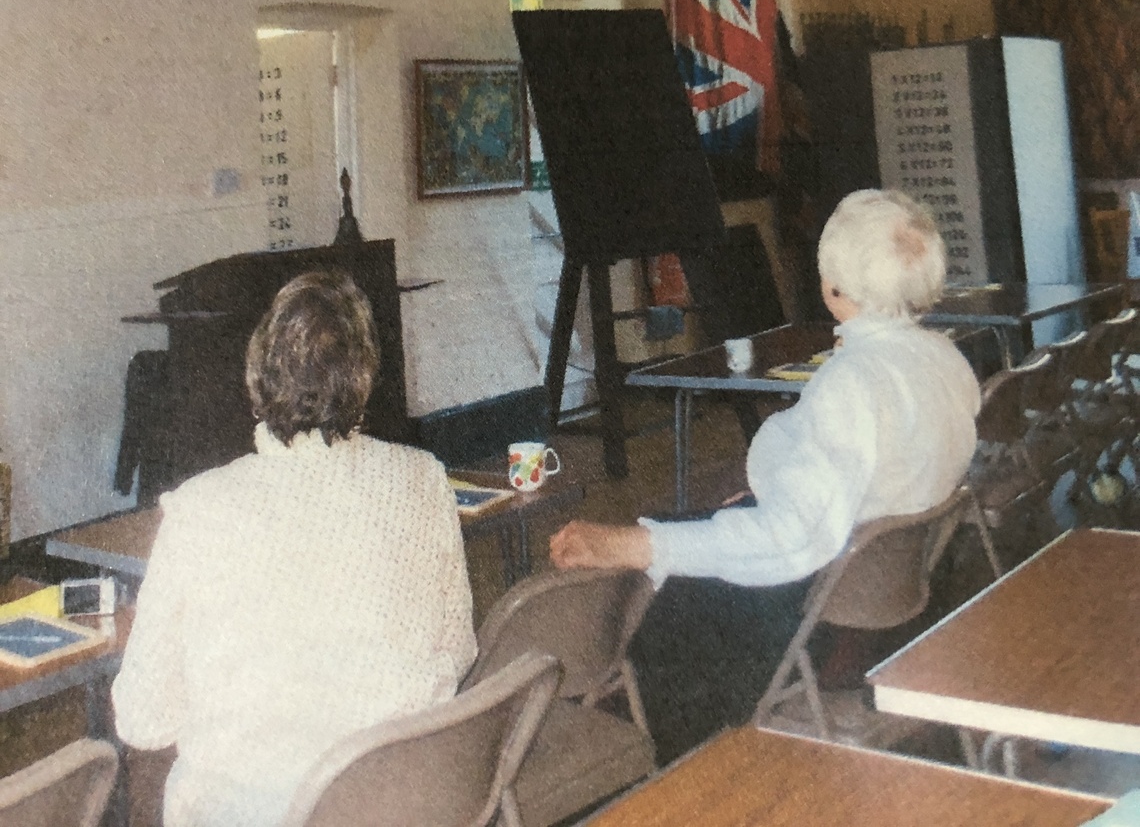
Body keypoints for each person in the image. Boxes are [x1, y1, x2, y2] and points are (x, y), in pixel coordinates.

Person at [550, 189, 981, 765]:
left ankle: (676, 769)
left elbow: (791, 541)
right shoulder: (947, 361)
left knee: (658, 586)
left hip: (818, 606)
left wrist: (639, 543)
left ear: (834, 286)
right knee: (685, 529)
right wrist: (774, 486)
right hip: (894, 594)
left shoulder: (851, 384)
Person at [113, 270, 477, 827]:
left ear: (257, 373)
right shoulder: (423, 477)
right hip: (411, 801)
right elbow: (458, 651)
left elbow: (143, 720)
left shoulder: (198, 507)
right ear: (364, 377)